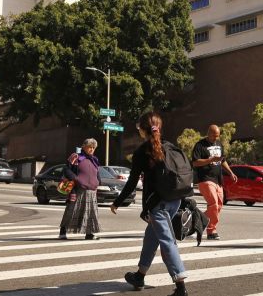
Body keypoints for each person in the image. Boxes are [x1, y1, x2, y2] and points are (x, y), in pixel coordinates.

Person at [111, 111, 188, 296]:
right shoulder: (170, 146)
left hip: (158, 205)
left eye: (139, 127)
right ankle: (140, 275)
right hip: (174, 200)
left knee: (167, 242)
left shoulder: (141, 152)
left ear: (143, 130)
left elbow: (131, 183)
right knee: (151, 238)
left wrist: (117, 202)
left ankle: (181, 286)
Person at [191, 124, 237, 240]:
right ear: (209, 133)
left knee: (219, 206)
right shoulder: (200, 145)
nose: (216, 138)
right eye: (214, 136)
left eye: (217, 136)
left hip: (218, 180)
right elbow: (195, 162)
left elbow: (223, 161)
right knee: (213, 204)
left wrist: (231, 173)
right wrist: (210, 160)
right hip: (205, 179)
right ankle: (211, 231)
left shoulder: (219, 144)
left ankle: (197, 221)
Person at [58, 138, 101, 240]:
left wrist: (98, 181)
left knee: (90, 213)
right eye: (90, 147)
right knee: (71, 210)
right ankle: (62, 232)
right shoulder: (76, 157)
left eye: (93, 148)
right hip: (78, 189)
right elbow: (66, 170)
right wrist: (76, 179)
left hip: (91, 190)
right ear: (84, 147)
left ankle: (89, 234)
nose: (91, 149)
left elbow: (97, 173)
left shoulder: (94, 159)